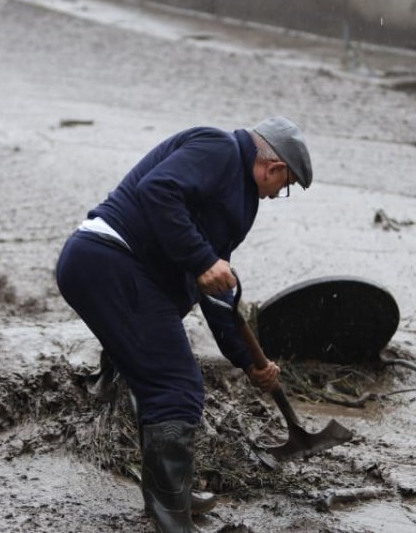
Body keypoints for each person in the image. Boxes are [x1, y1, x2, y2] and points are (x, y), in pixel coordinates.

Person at [55, 116, 313, 533]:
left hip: (118, 271)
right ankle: (172, 521)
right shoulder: (220, 149)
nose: (275, 195)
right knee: (176, 387)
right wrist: (202, 259)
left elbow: (215, 291)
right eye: (284, 187)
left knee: (161, 385)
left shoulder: (237, 197)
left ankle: (170, 496)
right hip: (110, 260)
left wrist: (249, 362)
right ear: (275, 167)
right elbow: (157, 190)